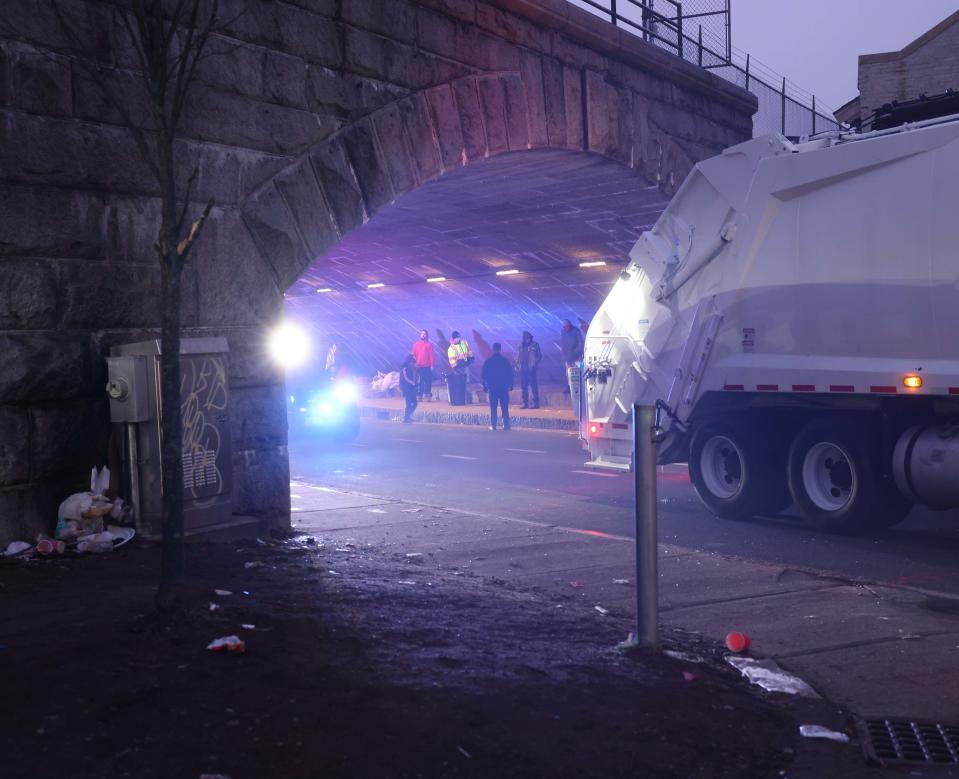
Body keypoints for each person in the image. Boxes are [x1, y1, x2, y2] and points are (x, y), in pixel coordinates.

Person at [481, 342, 513, 431]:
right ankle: (506, 425)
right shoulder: (505, 361)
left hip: (493, 388)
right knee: (505, 407)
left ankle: (493, 425)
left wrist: (485, 386)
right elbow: (510, 374)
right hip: (503, 388)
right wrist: (511, 385)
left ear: (493, 349)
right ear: (500, 349)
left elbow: (484, 375)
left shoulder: (488, 361)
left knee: (493, 407)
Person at [561, 319, 584, 415]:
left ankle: (579, 385)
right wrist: (564, 352)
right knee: (568, 372)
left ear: (569, 326)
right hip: (568, 356)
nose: (565, 329)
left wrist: (576, 352)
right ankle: (569, 386)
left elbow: (580, 343)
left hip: (576, 356)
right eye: (564, 327)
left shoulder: (576, 331)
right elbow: (563, 343)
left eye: (566, 327)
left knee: (577, 371)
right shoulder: (563, 332)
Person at [515, 330, 542, 409]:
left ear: (530, 338)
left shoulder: (535, 345)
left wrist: (535, 363)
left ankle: (536, 403)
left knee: (533, 386)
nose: (526, 340)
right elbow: (518, 356)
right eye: (525, 338)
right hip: (523, 369)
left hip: (531, 369)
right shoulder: (520, 346)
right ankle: (525, 403)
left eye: (527, 338)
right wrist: (517, 364)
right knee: (524, 386)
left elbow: (539, 356)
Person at [446, 330, 473, 406]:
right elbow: (452, 360)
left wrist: (471, 359)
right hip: (458, 369)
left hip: (466, 366)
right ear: (454, 339)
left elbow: (469, 351)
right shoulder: (451, 348)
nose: (459, 339)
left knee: (467, 383)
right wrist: (455, 368)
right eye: (457, 338)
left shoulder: (464, 342)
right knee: (460, 384)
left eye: (459, 337)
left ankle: (468, 399)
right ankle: (462, 399)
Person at [412, 329, 435, 402]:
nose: (423, 335)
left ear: (426, 335)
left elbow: (431, 356)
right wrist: (414, 364)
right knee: (419, 382)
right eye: (421, 333)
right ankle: (419, 396)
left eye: (424, 334)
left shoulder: (429, 345)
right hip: (419, 367)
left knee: (428, 381)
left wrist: (432, 366)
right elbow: (414, 356)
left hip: (427, 367)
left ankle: (428, 395)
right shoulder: (416, 344)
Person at [399, 355, 418, 423]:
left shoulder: (412, 369)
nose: (414, 364)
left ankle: (408, 416)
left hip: (411, 388)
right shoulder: (405, 369)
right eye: (412, 362)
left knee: (415, 403)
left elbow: (414, 378)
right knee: (409, 403)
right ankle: (406, 418)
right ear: (409, 362)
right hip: (406, 389)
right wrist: (413, 383)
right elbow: (406, 378)